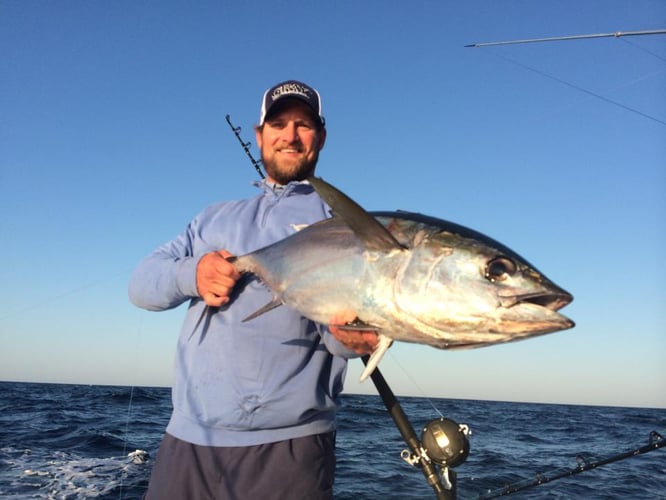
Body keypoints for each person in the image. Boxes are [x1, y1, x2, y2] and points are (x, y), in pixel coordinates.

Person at [128, 80, 378, 499]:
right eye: (278, 124)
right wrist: (193, 274)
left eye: (303, 124)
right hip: (189, 444)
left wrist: (352, 338)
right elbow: (141, 286)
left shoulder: (345, 226)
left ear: (321, 136)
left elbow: (339, 340)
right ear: (260, 135)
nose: (290, 135)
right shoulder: (212, 219)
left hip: (291, 451)